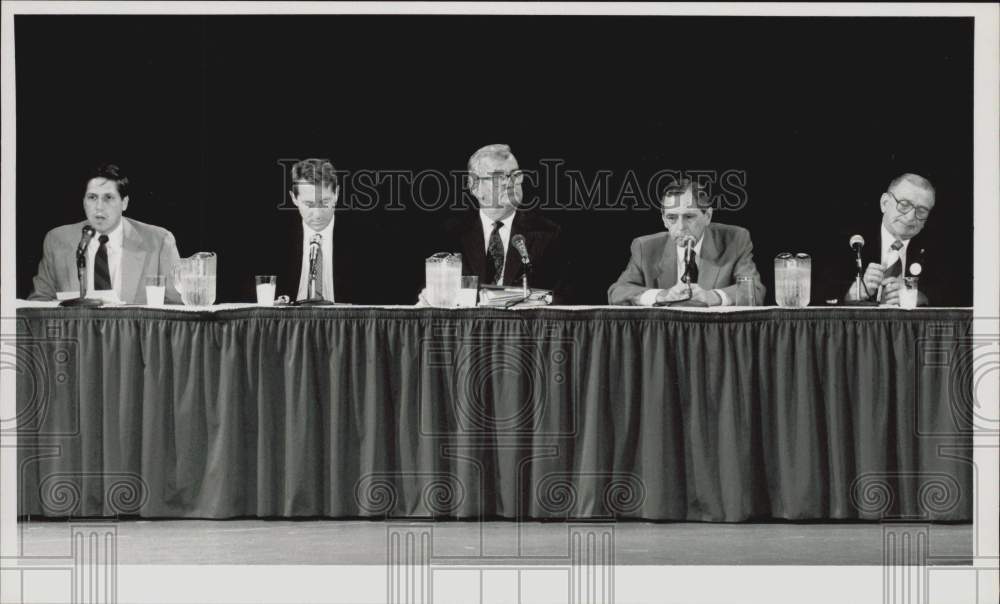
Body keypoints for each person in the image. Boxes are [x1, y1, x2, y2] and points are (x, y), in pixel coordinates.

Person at [432, 144, 570, 301]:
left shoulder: (547, 234)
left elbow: (564, 298)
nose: (509, 183)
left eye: (515, 175)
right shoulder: (451, 234)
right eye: (499, 177)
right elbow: (432, 294)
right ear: (474, 186)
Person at [29, 163, 182, 303]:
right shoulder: (57, 240)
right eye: (92, 197)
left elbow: (178, 307)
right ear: (83, 202)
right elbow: (38, 302)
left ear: (124, 203)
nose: (99, 207)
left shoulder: (159, 241)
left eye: (108, 198)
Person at [608, 178, 764, 306]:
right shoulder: (645, 247)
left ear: (708, 216)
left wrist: (713, 296)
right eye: (672, 218)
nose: (680, 227)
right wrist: (662, 295)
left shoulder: (735, 239)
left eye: (689, 217)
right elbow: (617, 292)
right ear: (664, 220)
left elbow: (754, 291)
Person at [249, 158, 377, 303]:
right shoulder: (271, 239)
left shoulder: (366, 240)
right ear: (294, 198)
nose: (317, 214)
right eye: (309, 204)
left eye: (325, 202)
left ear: (337, 194)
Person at [836, 173, 937, 306]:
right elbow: (821, 290)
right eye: (904, 204)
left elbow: (955, 293)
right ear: (884, 203)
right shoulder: (854, 243)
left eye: (922, 210)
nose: (911, 216)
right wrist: (852, 293)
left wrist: (918, 297)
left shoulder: (937, 250)